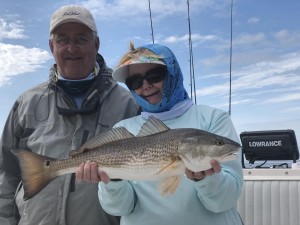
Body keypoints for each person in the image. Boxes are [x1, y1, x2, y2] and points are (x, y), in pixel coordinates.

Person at [76, 43, 244, 225]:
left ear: (172, 73)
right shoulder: (123, 130)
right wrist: (114, 179)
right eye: (135, 82)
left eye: (154, 76)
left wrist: (207, 179)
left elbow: (224, 202)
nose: (145, 86)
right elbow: (119, 209)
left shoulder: (213, 118)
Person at [0, 5, 139, 225]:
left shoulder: (128, 104)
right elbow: (6, 173)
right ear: (51, 45)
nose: (72, 48)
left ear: (97, 44)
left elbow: (143, 184)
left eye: (81, 39)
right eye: (62, 39)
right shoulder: (26, 102)